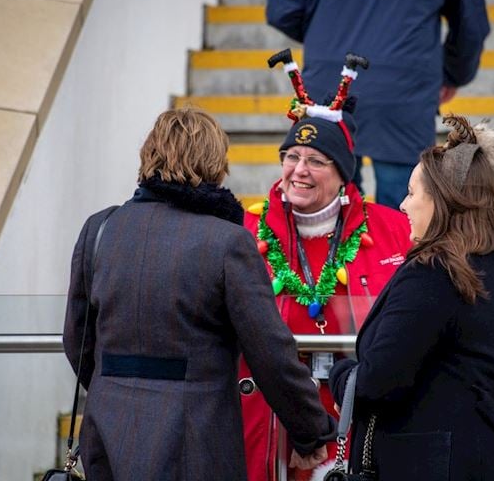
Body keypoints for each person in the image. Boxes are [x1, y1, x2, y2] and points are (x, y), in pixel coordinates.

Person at [62, 107, 336, 481]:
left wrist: (114, 385)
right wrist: (311, 431)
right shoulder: (227, 242)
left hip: (107, 428)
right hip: (194, 435)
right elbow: (269, 351)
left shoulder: (100, 228)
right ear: (214, 163)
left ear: (149, 156)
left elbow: (77, 338)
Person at [328, 115, 494, 480]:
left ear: (441, 201)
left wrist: (340, 374)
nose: (404, 206)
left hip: (435, 465)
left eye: (412, 193)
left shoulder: (433, 273)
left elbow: (377, 382)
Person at [239, 51, 412, 481]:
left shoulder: (395, 231)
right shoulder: (245, 230)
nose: (299, 171)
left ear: (342, 175)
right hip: (270, 423)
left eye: (316, 161)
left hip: (361, 421)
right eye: (291, 156)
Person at [265, 0, 490, 210]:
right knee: (404, 214)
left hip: (329, 81)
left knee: (329, 208)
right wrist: (453, 75)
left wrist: (326, 35)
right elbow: (471, 22)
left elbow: (283, 7)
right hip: (403, 86)